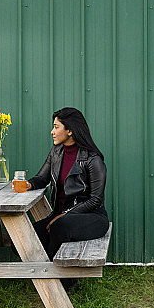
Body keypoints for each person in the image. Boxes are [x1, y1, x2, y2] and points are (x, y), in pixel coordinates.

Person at [25, 108, 109, 273]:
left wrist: (64, 215)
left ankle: (56, 278)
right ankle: (50, 274)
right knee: (23, 240)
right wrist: (27, 184)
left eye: (56, 127)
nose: (52, 131)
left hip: (92, 217)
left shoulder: (92, 159)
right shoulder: (56, 151)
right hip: (60, 218)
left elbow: (95, 200)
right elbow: (42, 178)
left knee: (59, 227)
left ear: (70, 130)